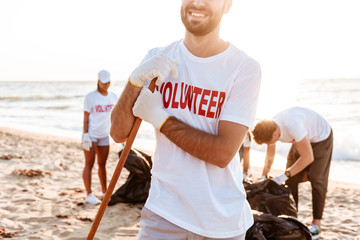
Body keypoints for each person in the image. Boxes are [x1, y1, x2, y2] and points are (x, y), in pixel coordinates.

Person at [111, 0, 261, 239]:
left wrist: (160, 118)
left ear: (227, 5)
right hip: (162, 213)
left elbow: (222, 154)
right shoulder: (158, 57)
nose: (198, 2)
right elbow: (119, 133)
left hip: (219, 221)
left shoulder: (244, 68)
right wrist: (134, 80)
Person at [252, 106, 333, 240]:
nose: (269, 144)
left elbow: (308, 157)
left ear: (275, 135)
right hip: (302, 138)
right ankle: (293, 219)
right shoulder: (271, 127)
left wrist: (284, 175)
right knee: (291, 180)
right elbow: (270, 155)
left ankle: (316, 225)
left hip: (321, 137)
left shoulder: (293, 126)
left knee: (317, 179)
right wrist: (263, 175)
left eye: (269, 142)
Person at [81, 70, 118, 205]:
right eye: (103, 83)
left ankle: (104, 192)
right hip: (91, 135)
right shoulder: (91, 97)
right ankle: (89, 194)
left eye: (108, 82)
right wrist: (85, 134)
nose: (106, 85)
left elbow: (117, 116)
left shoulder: (113, 96)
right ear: (98, 82)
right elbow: (86, 117)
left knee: (102, 164)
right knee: (89, 164)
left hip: (104, 135)